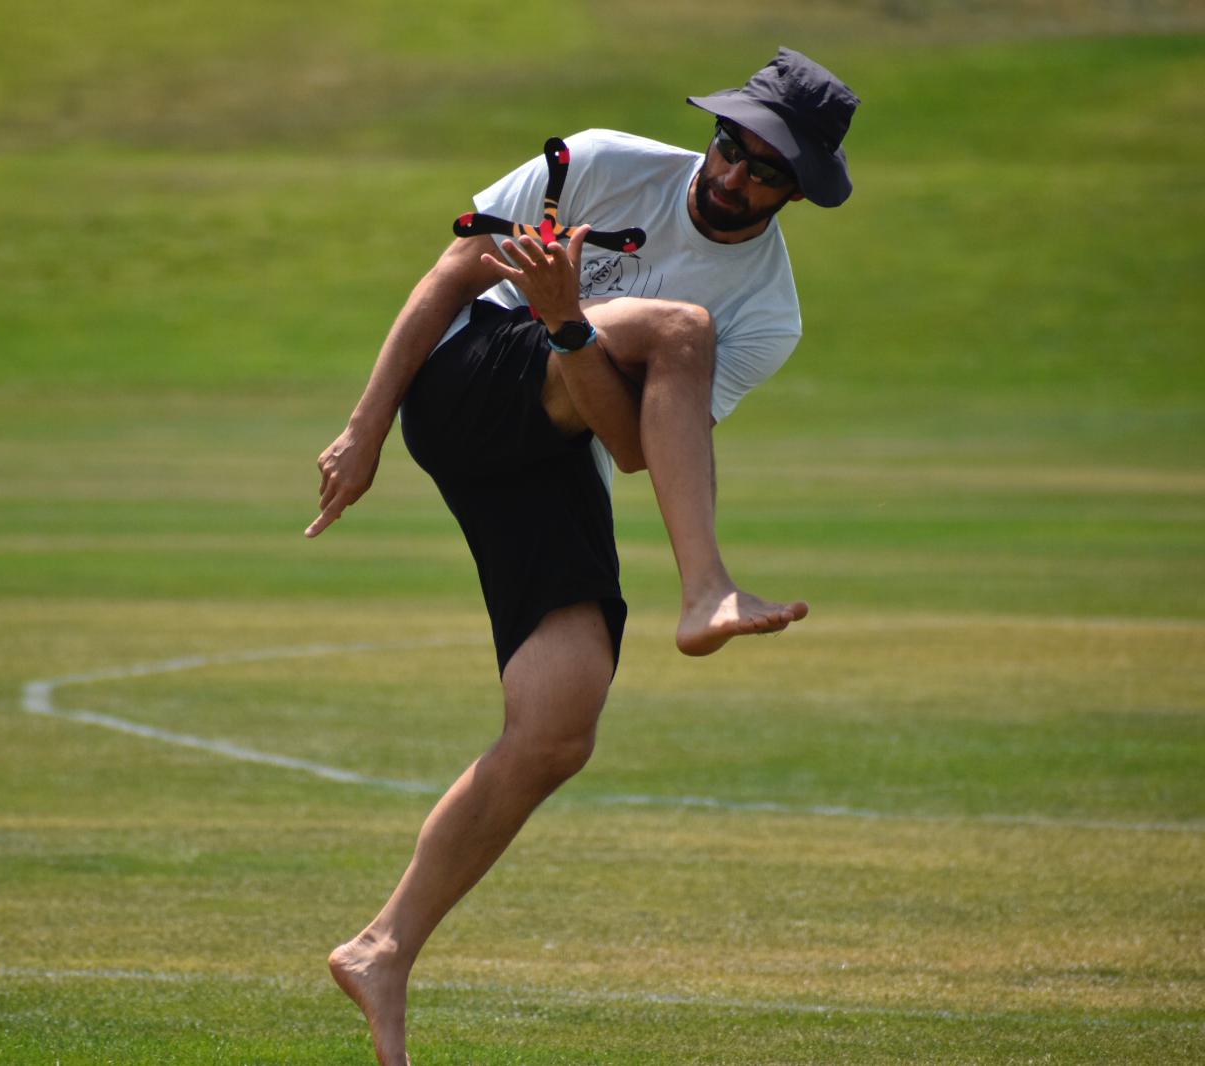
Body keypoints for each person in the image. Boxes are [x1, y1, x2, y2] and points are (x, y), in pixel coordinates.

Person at [306, 47, 859, 1066]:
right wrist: (364, 429)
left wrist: (568, 325)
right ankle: (706, 589)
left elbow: (634, 449)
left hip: (551, 441)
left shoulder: (768, 313)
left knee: (560, 724)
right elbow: (451, 275)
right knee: (677, 327)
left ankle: (381, 948)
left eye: (765, 171)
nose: (732, 175)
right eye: (730, 146)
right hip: (467, 378)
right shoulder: (599, 163)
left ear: (798, 191)